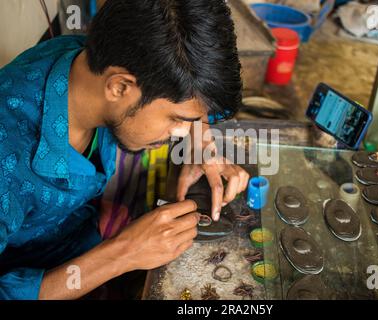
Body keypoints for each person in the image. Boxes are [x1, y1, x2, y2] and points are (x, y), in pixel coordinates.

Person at [0, 0, 249, 299]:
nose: (180, 136)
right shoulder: (8, 159)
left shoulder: (90, 59)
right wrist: (123, 253)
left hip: (80, 234)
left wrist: (203, 143)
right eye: (179, 120)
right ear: (119, 87)